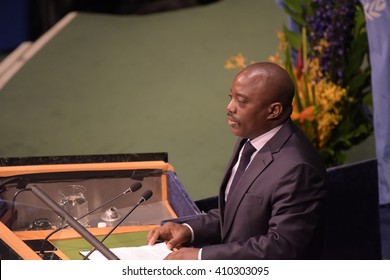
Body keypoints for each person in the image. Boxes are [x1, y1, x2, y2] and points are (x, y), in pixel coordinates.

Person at [147, 62, 327, 259]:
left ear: (273, 111)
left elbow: (280, 247)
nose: (230, 107)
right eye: (231, 97)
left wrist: (201, 257)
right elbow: (237, 212)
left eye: (241, 101)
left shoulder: (298, 169)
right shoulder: (251, 138)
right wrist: (190, 229)